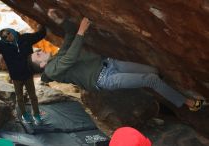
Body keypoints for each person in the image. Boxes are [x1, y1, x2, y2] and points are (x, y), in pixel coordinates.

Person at [28, 17, 203, 112]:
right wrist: (82, 30)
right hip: (105, 79)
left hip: (109, 63)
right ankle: (186, 102)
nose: (39, 50)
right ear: (42, 65)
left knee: (154, 71)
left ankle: (161, 88)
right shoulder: (51, 70)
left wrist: (59, 20)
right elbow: (71, 57)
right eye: (38, 54)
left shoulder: (56, 58)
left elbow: (69, 36)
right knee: (151, 79)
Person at [0, 25, 46, 125]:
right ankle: (25, 115)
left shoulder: (25, 38)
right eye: (4, 37)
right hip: (16, 77)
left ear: (12, 31)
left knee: (33, 96)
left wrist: (42, 24)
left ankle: (36, 115)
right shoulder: (2, 45)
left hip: (28, 74)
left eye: (8, 33)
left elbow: (39, 35)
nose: (7, 37)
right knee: (19, 98)